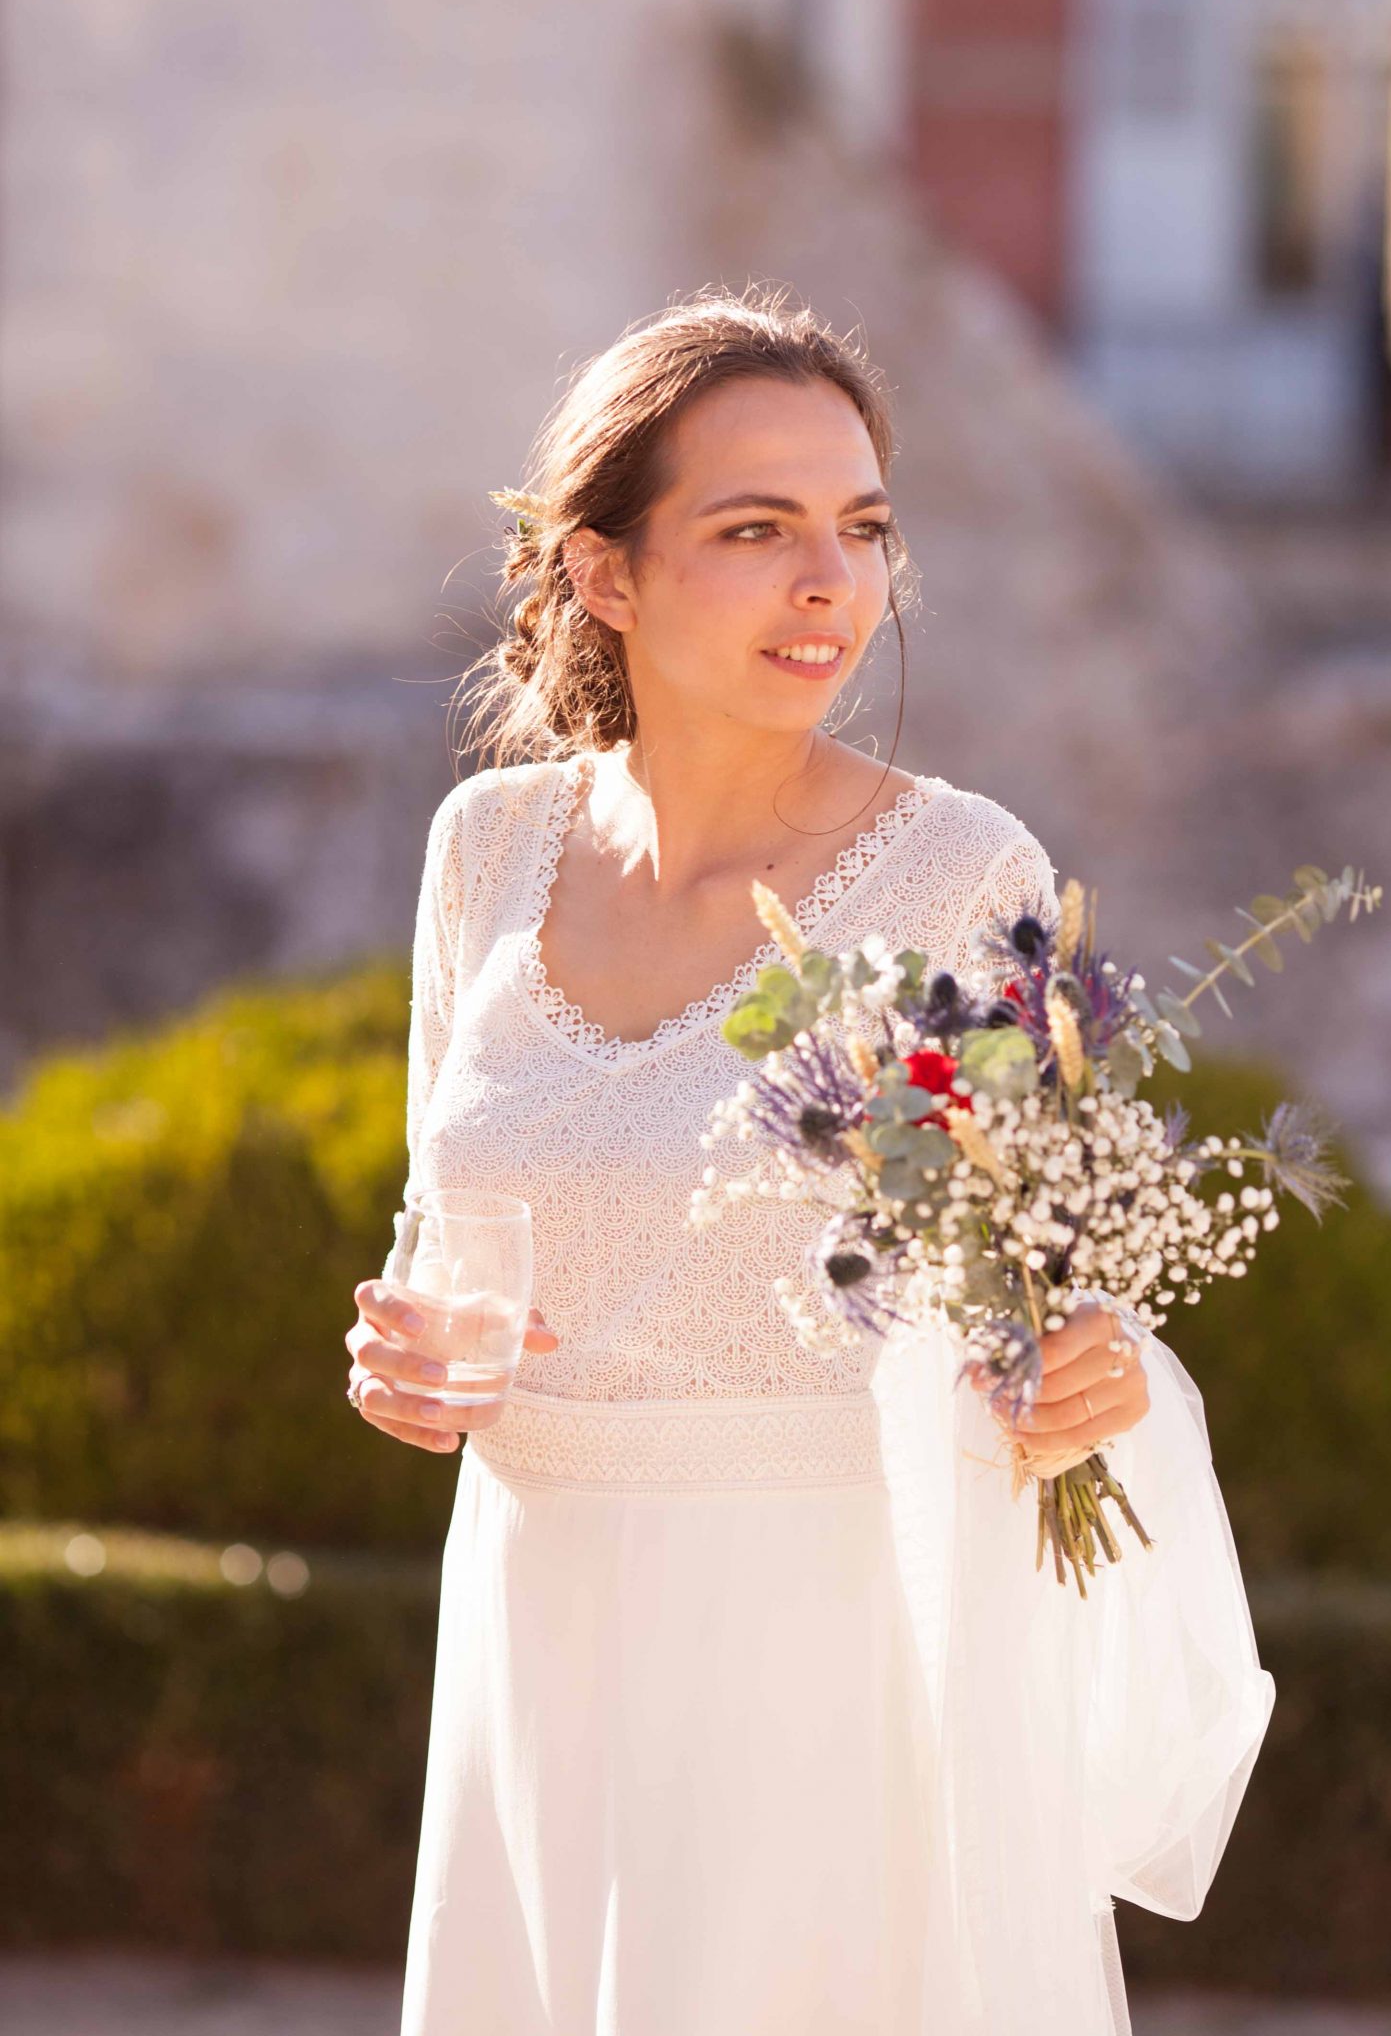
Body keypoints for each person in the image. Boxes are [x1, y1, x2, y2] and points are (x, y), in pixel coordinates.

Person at [342, 287, 1275, 2036]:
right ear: (603, 571)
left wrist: (1086, 1373)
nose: (832, 584)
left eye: (862, 528)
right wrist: (407, 1365)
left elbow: (1042, 1297)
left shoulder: (960, 874)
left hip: (824, 1662)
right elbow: (439, 1254)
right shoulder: (485, 850)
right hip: (538, 1632)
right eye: (756, 529)